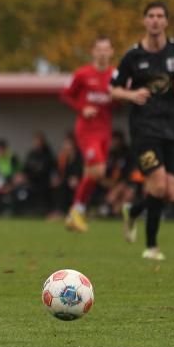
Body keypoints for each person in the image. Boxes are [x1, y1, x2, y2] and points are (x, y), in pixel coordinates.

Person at [111, 2, 174, 260]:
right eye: (151, 16)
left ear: (166, 22)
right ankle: (151, 247)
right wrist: (131, 93)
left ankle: (134, 211)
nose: (155, 21)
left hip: (170, 129)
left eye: (160, 16)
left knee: (171, 192)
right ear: (144, 21)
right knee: (158, 186)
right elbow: (113, 88)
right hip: (144, 129)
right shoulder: (133, 56)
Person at [60, 35, 114, 232]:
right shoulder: (82, 74)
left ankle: (75, 214)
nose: (102, 52)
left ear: (111, 52)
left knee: (94, 173)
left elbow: (118, 99)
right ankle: (76, 211)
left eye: (106, 49)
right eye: (99, 49)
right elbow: (65, 94)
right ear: (93, 52)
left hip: (105, 131)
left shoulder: (115, 75)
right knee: (98, 170)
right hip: (87, 131)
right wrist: (82, 108)